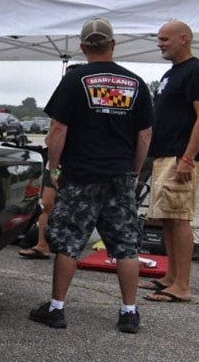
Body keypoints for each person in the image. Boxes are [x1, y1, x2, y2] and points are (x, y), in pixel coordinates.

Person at [29, 17, 153, 333]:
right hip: (119, 174)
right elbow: (144, 135)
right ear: (113, 45)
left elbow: (58, 130)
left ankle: (57, 308)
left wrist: (54, 168)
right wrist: (134, 171)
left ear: (83, 47)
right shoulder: (136, 83)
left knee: (69, 242)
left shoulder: (74, 80)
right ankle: (129, 312)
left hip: (80, 174)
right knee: (126, 245)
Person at [139, 20, 199, 304]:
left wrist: (188, 157)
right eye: (159, 39)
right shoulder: (172, 73)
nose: (160, 43)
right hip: (165, 155)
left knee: (180, 218)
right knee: (168, 218)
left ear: (184, 39)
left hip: (181, 157)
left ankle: (182, 286)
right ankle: (170, 277)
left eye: (165, 39)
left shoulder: (198, 72)